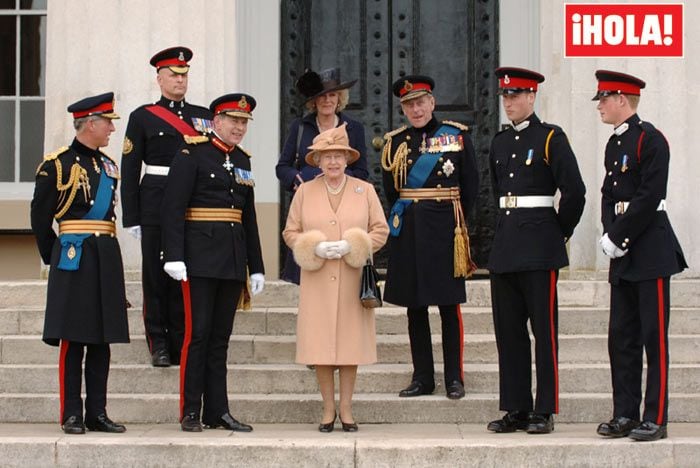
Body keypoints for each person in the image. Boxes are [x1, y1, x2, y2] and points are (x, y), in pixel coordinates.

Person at [485, 67, 586, 435]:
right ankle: (516, 407)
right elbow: (499, 194)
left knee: (543, 331)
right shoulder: (498, 142)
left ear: (532, 97)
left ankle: (544, 408)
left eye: (515, 95)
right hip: (507, 246)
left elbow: (575, 192)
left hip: (540, 246)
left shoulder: (550, 138)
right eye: (505, 96)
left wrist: (558, 232)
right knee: (508, 333)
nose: (509, 102)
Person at [161, 93, 265, 433]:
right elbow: (173, 208)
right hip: (199, 259)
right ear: (215, 122)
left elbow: (247, 216)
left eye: (243, 122)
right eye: (233, 120)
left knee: (221, 338)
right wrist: (174, 255)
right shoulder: (192, 154)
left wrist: (257, 264)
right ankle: (191, 410)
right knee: (198, 335)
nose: (239, 127)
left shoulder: (244, 160)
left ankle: (217, 411)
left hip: (232, 259)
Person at [592, 70, 686, 442]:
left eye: (604, 99)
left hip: (650, 250)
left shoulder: (651, 139)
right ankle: (625, 413)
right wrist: (607, 232)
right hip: (623, 253)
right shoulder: (614, 145)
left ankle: (655, 417)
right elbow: (607, 194)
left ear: (623, 100)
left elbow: (649, 197)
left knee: (652, 336)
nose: (599, 105)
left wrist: (619, 235)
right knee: (621, 336)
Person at [30, 92, 129, 435]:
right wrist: (55, 259)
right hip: (74, 259)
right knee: (74, 339)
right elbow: (40, 219)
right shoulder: (56, 165)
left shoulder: (108, 166)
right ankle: (72, 412)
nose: (111, 131)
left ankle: (97, 412)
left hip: (106, 256)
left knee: (102, 339)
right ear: (90, 124)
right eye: (107, 124)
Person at [283, 124, 388, 432]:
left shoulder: (364, 190)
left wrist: (353, 245)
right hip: (317, 280)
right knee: (321, 347)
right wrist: (312, 246)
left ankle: (347, 409)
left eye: (338, 155)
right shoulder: (305, 190)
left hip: (353, 278)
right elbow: (290, 232)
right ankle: (328, 409)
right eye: (326, 156)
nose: (333, 162)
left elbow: (380, 230)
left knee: (349, 346)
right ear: (317, 160)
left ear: (347, 158)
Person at [381, 75, 479, 400]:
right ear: (403, 109)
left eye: (420, 102)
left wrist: (460, 227)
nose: (416, 109)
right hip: (410, 234)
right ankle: (422, 377)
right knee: (415, 308)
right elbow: (392, 192)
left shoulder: (456, 136)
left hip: (445, 232)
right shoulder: (395, 143)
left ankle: (454, 378)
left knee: (449, 307)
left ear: (432, 102)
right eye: (409, 104)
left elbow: (472, 188)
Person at [120, 46, 213, 367]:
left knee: (187, 271)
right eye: (173, 75)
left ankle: (182, 338)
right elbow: (130, 169)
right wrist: (131, 215)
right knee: (157, 273)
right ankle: (158, 341)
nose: (179, 80)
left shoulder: (203, 117)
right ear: (159, 79)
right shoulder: (143, 117)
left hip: (194, 203)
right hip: (156, 201)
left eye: (184, 75)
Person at [276, 67, 369, 284]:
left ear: (340, 99)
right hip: (309, 208)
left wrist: (341, 179)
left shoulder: (354, 128)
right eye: (322, 96)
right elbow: (282, 167)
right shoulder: (300, 127)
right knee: (310, 275)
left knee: (341, 275)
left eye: (332, 95)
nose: (327, 100)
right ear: (314, 100)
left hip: (343, 208)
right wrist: (296, 179)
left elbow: (362, 171)